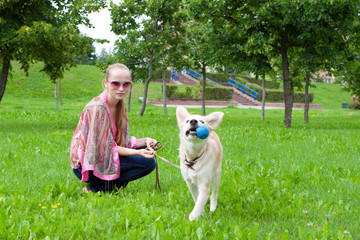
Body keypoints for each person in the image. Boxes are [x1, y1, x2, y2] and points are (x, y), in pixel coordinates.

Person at [70, 63, 157, 193]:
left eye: (126, 84)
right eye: (115, 83)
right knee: (148, 163)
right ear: (106, 83)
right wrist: (138, 152)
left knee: (145, 151)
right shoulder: (97, 107)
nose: (121, 88)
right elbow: (104, 149)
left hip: (106, 154)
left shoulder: (119, 104)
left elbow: (122, 141)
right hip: (87, 164)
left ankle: (110, 185)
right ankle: (96, 187)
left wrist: (145, 141)